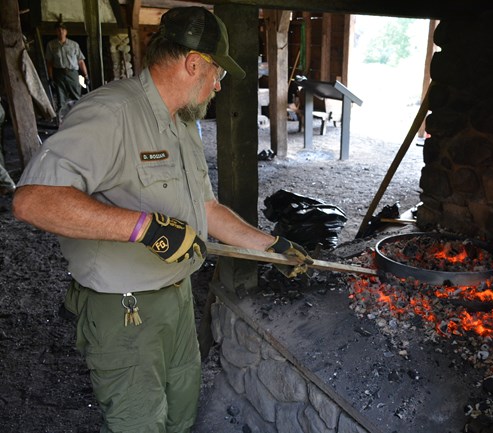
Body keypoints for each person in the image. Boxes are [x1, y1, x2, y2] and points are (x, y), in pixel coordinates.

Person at [13, 6, 313, 432]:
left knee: (181, 415)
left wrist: (271, 247)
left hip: (176, 299)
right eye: (218, 74)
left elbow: (206, 210)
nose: (218, 85)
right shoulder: (111, 113)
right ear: (194, 63)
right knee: (141, 424)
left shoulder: (183, 122)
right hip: (125, 311)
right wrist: (143, 228)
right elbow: (32, 200)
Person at [45, 22, 89, 109]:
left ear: (66, 32)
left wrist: (86, 76)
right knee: (61, 100)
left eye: (63, 30)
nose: (61, 32)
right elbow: (49, 62)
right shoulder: (51, 45)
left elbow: (80, 61)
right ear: (56, 32)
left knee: (77, 97)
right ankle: (62, 119)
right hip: (59, 74)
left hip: (72, 73)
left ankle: (79, 115)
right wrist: (50, 77)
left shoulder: (74, 45)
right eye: (58, 30)